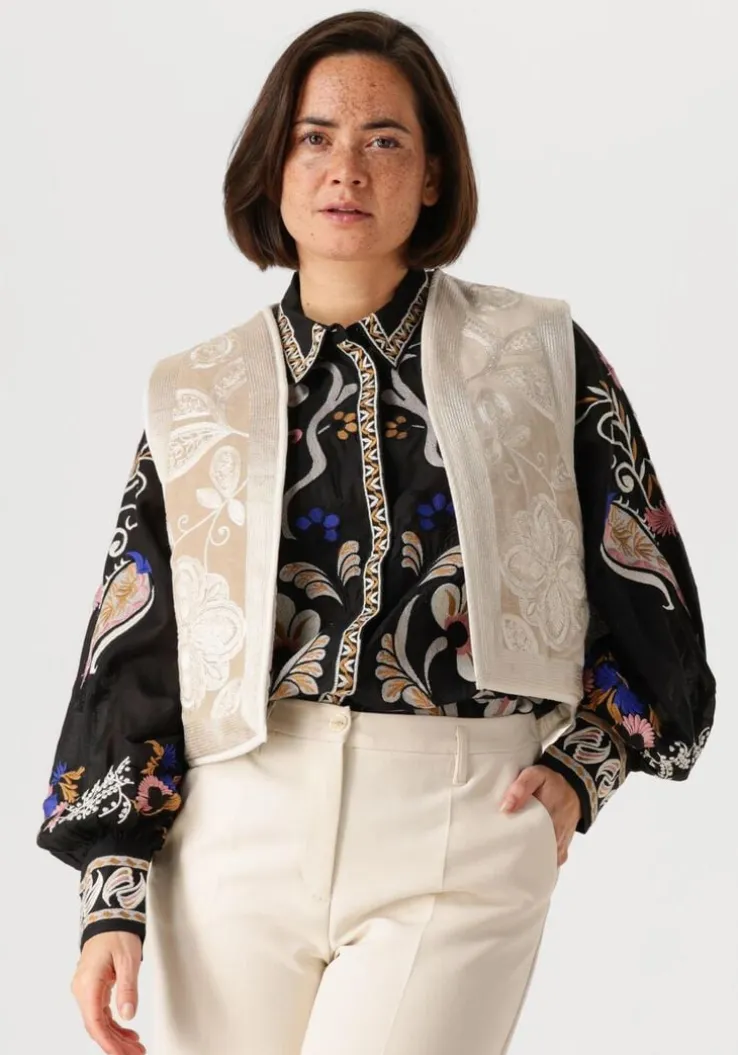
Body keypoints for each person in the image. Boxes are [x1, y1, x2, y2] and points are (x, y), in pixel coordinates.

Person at [37, 10, 716, 1055]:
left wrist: (585, 766)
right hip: (231, 833)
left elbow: (648, 579)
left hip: (460, 819)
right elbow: (137, 641)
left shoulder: (538, 356)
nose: (345, 167)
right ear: (275, 165)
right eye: (314, 136)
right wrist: (112, 892)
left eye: (383, 138)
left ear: (432, 174)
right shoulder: (198, 392)